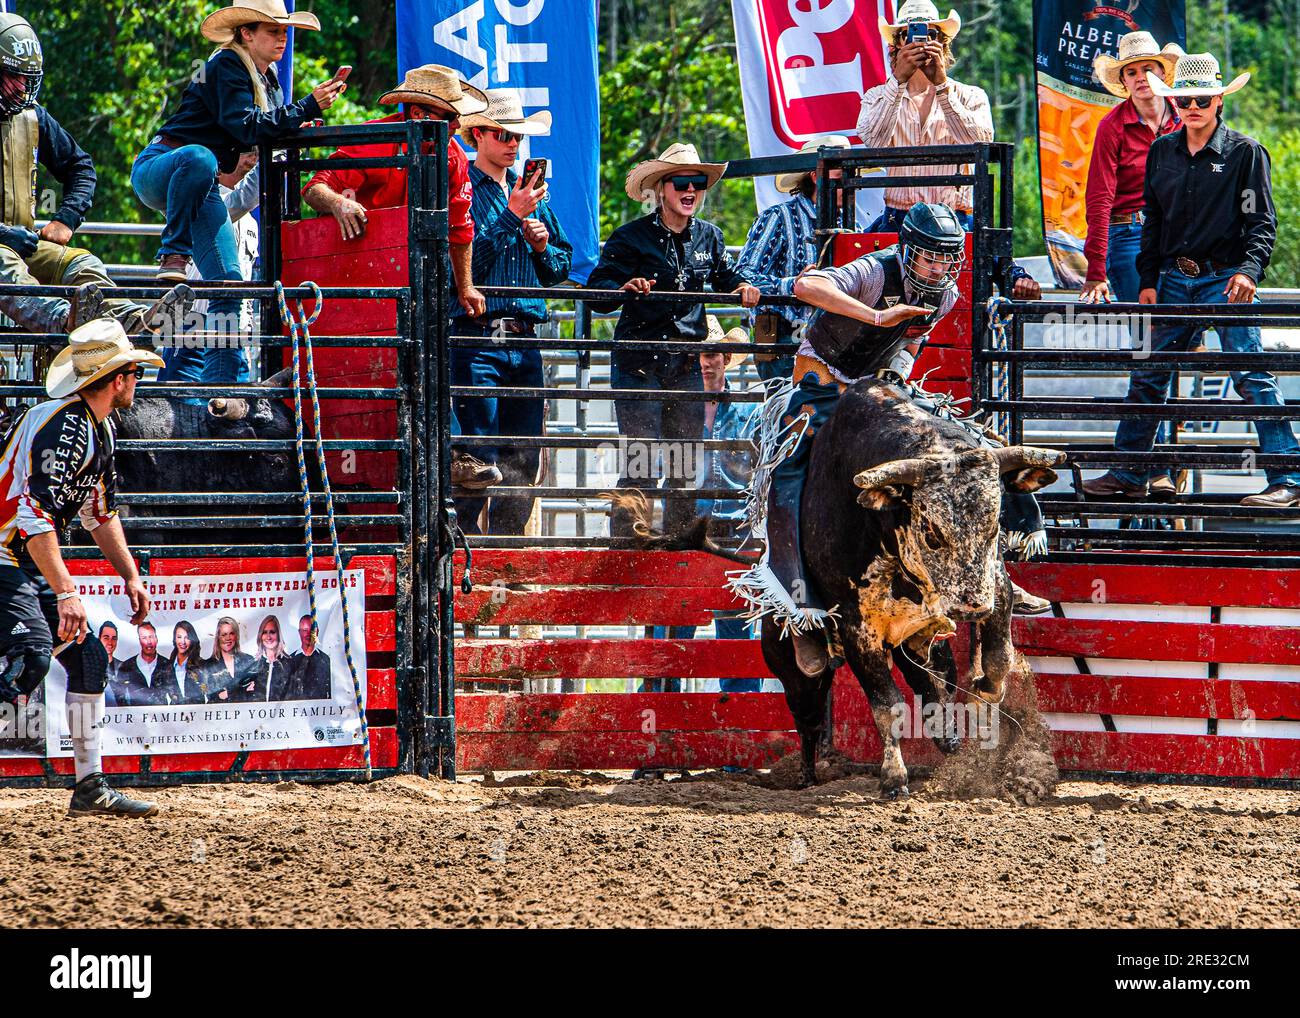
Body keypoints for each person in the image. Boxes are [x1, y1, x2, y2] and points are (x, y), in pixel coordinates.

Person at [731, 203, 1049, 677]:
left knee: (970, 443)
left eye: (947, 259)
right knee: (791, 464)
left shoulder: (943, 293)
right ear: (908, 251)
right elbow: (806, 286)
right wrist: (877, 319)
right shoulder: (873, 271)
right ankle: (796, 606)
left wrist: (895, 381)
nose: (939, 268)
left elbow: (911, 344)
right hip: (821, 377)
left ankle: (999, 571)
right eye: (931, 258)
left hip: (877, 386)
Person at [1083, 52, 1300, 508]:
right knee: (1149, 373)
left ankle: (1290, 479)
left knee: (1250, 372)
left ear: (1219, 100)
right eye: (1183, 100)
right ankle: (1128, 471)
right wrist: (1147, 277)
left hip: (1224, 277)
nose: (1192, 107)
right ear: (1175, 104)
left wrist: (1248, 270)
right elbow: (1154, 220)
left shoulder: (1245, 153)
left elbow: (1261, 223)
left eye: (1201, 99)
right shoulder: (1164, 152)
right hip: (1172, 278)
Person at [299, 63, 498, 490]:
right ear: (419, 113)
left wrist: (464, 286)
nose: (455, 125)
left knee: (427, 365)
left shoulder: (453, 157)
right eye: (448, 117)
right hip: (359, 286)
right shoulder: (373, 139)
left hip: (417, 284)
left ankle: (446, 458)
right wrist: (339, 203)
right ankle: (364, 473)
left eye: (453, 117)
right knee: (373, 377)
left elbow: (460, 229)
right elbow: (315, 186)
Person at [131, 0, 346, 385]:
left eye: (284, 31)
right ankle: (173, 254)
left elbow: (264, 131)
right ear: (246, 34)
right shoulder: (225, 64)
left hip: (202, 187)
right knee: (198, 158)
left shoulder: (269, 80)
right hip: (160, 168)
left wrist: (302, 116)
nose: (282, 38)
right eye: (272, 31)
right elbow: (247, 127)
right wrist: (306, 106)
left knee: (229, 285)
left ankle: (226, 397)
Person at [0, 318, 159, 817]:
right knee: (33, 656)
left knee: (87, 656)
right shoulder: (67, 425)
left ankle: (90, 786)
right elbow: (34, 513)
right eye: (133, 372)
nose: (136, 381)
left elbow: (97, 512)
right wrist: (68, 592)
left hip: (22, 557)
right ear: (117, 379)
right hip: (7, 552)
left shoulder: (96, 428)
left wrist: (129, 573)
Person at [587, 143, 760, 537]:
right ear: (661, 188)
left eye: (697, 183)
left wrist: (744, 286)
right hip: (639, 362)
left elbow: (726, 277)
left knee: (684, 461)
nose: (690, 190)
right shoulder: (630, 238)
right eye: (681, 182)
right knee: (642, 457)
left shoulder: (711, 238)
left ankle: (679, 544)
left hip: (684, 364)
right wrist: (623, 287)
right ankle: (629, 544)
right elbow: (598, 291)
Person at [0, 13, 195, 340]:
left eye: (27, 78)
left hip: (21, 246)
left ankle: (136, 321)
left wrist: (67, 218)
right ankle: (66, 319)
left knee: (83, 264)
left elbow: (80, 167)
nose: (22, 87)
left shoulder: (33, 118)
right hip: (4, 254)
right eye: (12, 77)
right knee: (3, 263)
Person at [451, 90, 572, 534]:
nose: (513, 144)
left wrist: (541, 245)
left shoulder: (528, 190)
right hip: (477, 336)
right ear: (478, 135)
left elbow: (561, 266)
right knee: (477, 450)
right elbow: (462, 264)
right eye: (503, 134)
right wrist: (511, 216)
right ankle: (462, 548)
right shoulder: (463, 189)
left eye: (517, 135)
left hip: (523, 338)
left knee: (525, 451)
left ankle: (507, 549)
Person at [858, 2, 990, 232]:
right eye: (908, 36)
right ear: (895, 45)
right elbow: (873, 141)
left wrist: (941, 85)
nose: (920, 42)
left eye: (930, 34)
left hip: (954, 219)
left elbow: (980, 144)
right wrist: (898, 80)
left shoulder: (971, 95)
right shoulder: (876, 96)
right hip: (898, 218)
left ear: (942, 43)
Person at [738, 136, 850, 382]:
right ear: (816, 175)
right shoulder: (778, 217)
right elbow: (744, 275)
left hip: (832, 339)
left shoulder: (850, 226)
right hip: (784, 338)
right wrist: (793, 285)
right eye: (842, 174)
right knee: (792, 411)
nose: (850, 182)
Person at [203, 616, 257, 701]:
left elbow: (255, 691)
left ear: (236, 636)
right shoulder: (208, 666)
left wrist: (227, 693)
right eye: (224, 634)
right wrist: (241, 689)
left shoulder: (248, 660)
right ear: (218, 637)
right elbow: (213, 697)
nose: (228, 638)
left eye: (231, 633)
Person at [117, 621, 169, 707]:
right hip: (134, 718)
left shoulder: (167, 665)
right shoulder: (126, 666)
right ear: (139, 641)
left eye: (151, 637)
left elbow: (175, 695)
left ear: (156, 639)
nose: (149, 642)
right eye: (144, 638)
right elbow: (119, 697)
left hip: (162, 718)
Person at [253, 614, 295, 701]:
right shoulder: (254, 665)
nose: (268, 637)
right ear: (260, 636)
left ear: (278, 634)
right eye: (264, 632)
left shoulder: (290, 664)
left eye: (272, 632)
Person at [288, 614, 331, 700]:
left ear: (317, 632)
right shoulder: (289, 661)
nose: (308, 634)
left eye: (311, 630)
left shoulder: (326, 660)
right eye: (304, 630)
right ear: (299, 632)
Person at [167, 620, 209, 705]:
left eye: (187, 637)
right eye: (179, 637)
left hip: (197, 714)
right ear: (174, 639)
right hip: (174, 714)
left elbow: (208, 691)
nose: (182, 641)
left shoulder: (201, 665)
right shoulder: (168, 666)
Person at [97, 622, 126, 707]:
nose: (110, 642)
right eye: (106, 638)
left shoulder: (125, 667)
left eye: (114, 638)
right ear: (99, 639)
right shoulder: (90, 666)